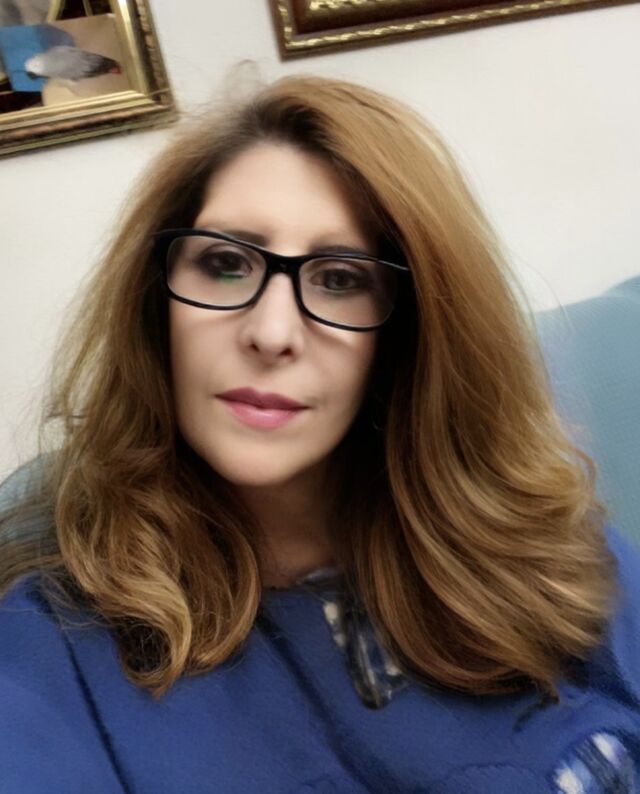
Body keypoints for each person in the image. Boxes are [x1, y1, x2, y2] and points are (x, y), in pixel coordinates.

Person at [0, 74, 638, 793]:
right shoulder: (53, 647)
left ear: (409, 331)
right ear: (156, 303)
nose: (272, 332)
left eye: (340, 279)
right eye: (224, 264)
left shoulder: (547, 548)